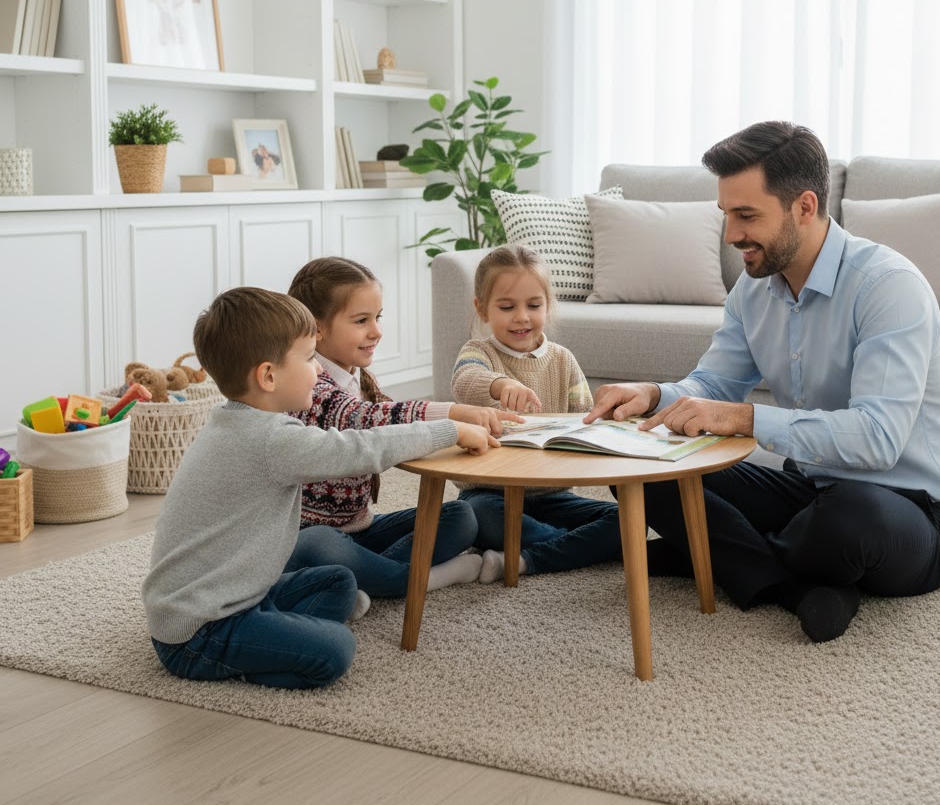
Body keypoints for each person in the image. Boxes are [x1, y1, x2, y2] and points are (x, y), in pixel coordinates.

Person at [583, 121, 940, 643]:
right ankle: (797, 588)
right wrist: (653, 395)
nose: (730, 235)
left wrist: (744, 419)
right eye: (726, 215)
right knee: (643, 469)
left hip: (905, 511)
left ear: (804, 207)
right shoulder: (753, 290)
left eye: (746, 215)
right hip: (809, 493)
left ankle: (718, 552)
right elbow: (714, 387)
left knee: (847, 520)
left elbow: (878, 439)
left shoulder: (887, 286)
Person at [141, 286, 497, 690]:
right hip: (198, 630)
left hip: (237, 595)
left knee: (339, 582)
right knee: (335, 650)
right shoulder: (270, 439)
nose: (318, 370)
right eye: (310, 358)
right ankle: (247, 657)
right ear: (268, 376)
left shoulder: (235, 420)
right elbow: (360, 448)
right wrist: (449, 430)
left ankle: (270, 633)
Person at [286, 257, 523, 598]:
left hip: (359, 528)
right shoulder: (308, 386)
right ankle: (417, 579)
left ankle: (366, 576)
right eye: (361, 320)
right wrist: (453, 414)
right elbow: (369, 418)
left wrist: (466, 419)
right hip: (308, 537)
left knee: (461, 516)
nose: (376, 331)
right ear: (317, 328)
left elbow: (393, 415)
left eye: (377, 317)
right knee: (319, 543)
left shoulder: (356, 377)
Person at [451, 244, 622, 584]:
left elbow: (585, 420)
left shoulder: (562, 359)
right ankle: (574, 546)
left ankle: (523, 559)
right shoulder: (477, 351)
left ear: (548, 305)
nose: (522, 317)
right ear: (482, 309)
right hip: (490, 495)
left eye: (533, 305)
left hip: (552, 495)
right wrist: (499, 384)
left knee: (629, 520)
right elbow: (465, 381)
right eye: (506, 307)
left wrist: (608, 419)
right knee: (476, 515)